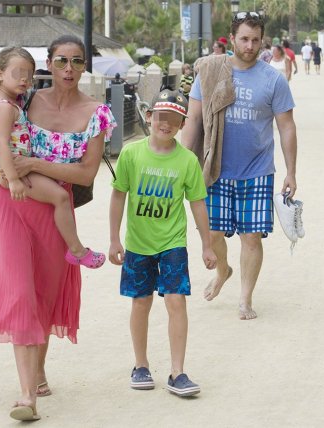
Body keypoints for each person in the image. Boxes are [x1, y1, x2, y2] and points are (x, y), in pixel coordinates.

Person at [0, 35, 116, 421]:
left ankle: (38, 372)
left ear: (84, 66)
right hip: (13, 206)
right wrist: (6, 170)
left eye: (77, 62)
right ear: (50, 62)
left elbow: (86, 172)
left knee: (44, 293)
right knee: (22, 295)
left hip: (55, 213)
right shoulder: (25, 97)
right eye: (62, 61)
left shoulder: (98, 114)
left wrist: (34, 166)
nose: (69, 69)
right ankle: (27, 395)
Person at [181, 11, 298, 321]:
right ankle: (223, 271)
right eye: (244, 39)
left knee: (251, 237)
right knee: (212, 234)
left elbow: (286, 126)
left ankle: (245, 299)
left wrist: (291, 171)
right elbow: (192, 118)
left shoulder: (273, 79)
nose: (249, 46)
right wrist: (179, 162)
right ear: (231, 38)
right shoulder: (208, 72)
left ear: (262, 42)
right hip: (215, 167)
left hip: (258, 169)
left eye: (255, 40)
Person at [0, 47, 106, 276]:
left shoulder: (7, 101)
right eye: (60, 61)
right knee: (61, 197)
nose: (25, 79)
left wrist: (1, 165)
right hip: (12, 173)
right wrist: (13, 176)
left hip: (0, 169)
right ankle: (77, 250)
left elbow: (86, 175)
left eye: (29, 74)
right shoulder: (9, 106)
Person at [109, 89, 216, 397]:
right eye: (160, 117)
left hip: (172, 242)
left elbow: (197, 203)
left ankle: (177, 372)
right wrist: (114, 238)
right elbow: (119, 196)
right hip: (138, 243)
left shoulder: (187, 161)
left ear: (182, 124)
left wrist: (206, 245)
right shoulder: (131, 154)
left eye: (173, 120)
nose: (165, 124)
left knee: (175, 300)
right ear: (149, 117)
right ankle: (140, 365)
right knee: (140, 301)